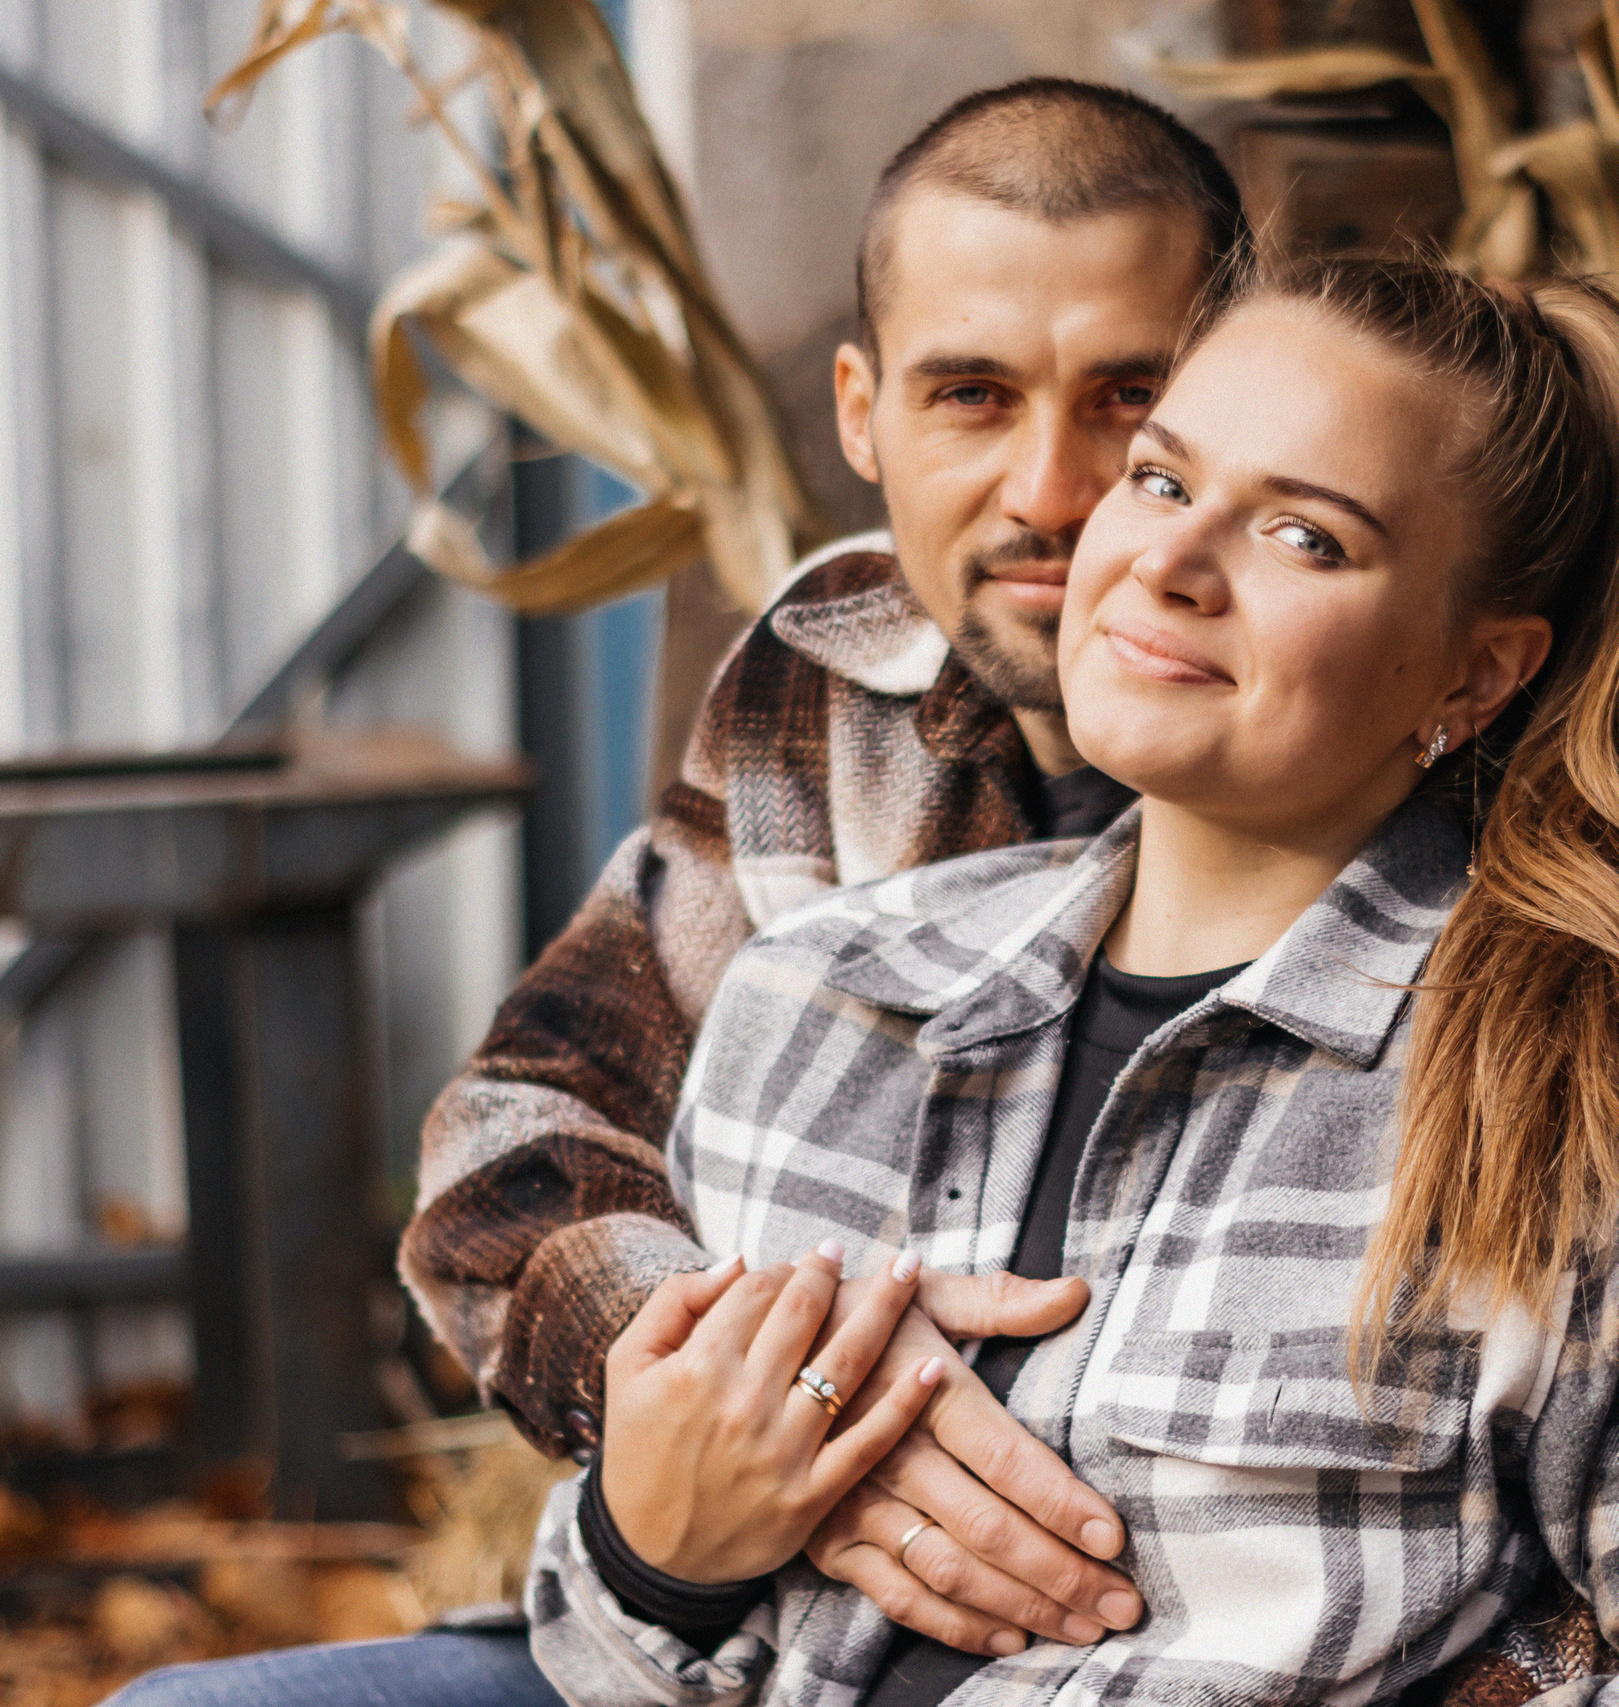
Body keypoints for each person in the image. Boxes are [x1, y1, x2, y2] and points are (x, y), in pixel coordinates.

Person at [525, 254, 1619, 1707]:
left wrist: (1521, 1675)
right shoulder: (818, 998)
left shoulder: (1608, 1071)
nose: (1171, 561)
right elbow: (589, 1640)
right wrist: (652, 1554)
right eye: (1158, 480)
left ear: (1476, 677)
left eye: (1306, 538)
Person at [104, 77, 1232, 1707]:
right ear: (863, 413)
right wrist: (767, 1401)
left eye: (1131, 399)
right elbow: (516, 1138)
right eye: (970, 396)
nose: (1052, 492)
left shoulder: (1381, 737)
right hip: (738, 1608)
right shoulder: (832, 682)